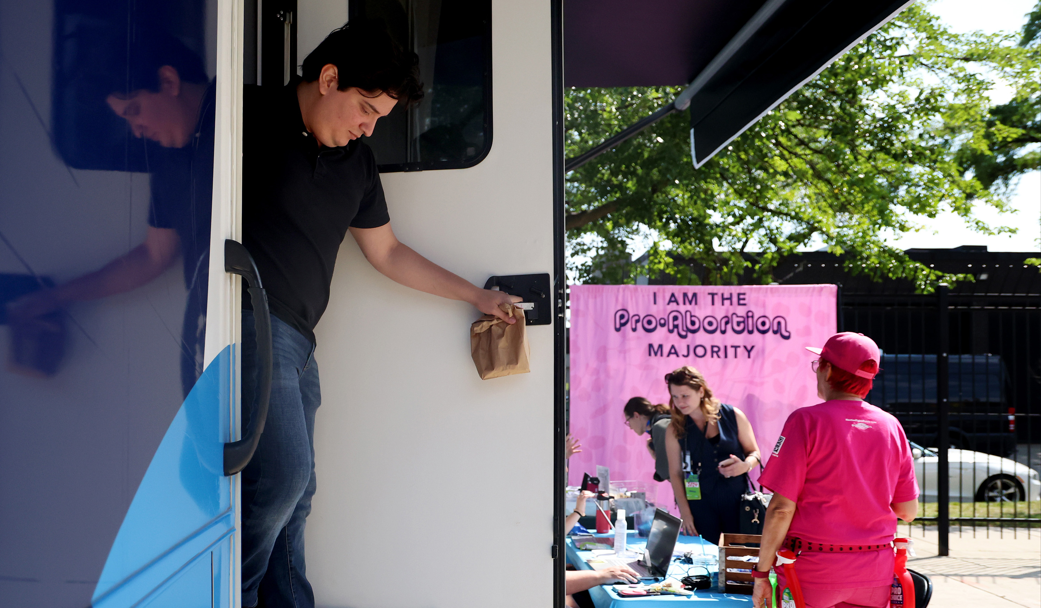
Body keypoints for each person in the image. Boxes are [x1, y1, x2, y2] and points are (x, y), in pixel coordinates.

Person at [238, 21, 518, 608]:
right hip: (247, 320)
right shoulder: (247, 116)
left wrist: (475, 294)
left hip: (300, 344)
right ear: (328, 78)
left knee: (299, 492)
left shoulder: (357, 166)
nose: (368, 126)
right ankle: (225, 592)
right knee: (283, 478)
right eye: (364, 108)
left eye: (378, 118)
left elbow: (387, 252)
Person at [7, 28, 215, 396]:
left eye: (134, 110)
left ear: (168, 80)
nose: (136, 131)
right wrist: (54, 298)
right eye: (125, 119)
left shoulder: (245, 117)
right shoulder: (169, 163)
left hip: (262, 322)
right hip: (208, 335)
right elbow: (154, 255)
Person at [750, 333, 919, 608]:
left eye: (818, 365)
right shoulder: (891, 426)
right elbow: (907, 511)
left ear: (827, 370)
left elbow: (781, 509)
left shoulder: (805, 421)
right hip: (875, 573)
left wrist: (761, 574)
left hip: (810, 572)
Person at [664, 366, 762, 545]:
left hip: (736, 500)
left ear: (701, 391)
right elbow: (676, 474)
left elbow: (755, 453)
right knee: (704, 558)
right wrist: (685, 513)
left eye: (685, 395)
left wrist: (744, 466)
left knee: (739, 557)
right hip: (699, 503)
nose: (680, 402)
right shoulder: (674, 428)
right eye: (675, 397)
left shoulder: (733, 415)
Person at [622, 397, 672, 482]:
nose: (630, 427)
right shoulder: (662, 422)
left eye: (628, 421)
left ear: (636, 415)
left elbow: (665, 471)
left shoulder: (659, 427)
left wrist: (657, 457)